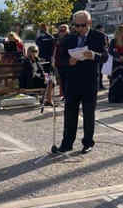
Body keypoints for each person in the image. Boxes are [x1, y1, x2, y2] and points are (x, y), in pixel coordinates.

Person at [55, 10, 108, 154]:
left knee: (88, 113)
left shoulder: (99, 36)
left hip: (89, 81)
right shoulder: (69, 38)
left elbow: (105, 56)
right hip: (72, 81)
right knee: (70, 114)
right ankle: (67, 143)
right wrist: (68, 61)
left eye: (82, 25)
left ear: (89, 23)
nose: (79, 29)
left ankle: (88, 143)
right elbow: (60, 59)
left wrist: (94, 55)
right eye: (76, 25)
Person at [108, 24, 123, 103]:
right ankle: (114, 98)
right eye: (121, 31)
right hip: (115, 63)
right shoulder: (113, 41)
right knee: (115, 81)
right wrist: (118, 57)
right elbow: (110, 51)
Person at [36, 24, 56, 105]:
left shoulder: (42, 37)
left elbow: (37, 44)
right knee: (47, 79)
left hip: (46, 61)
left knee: (48, 79)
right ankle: (47, 98)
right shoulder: (50, 37)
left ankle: (48, 99)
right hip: (46, 61)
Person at [53, 24, 70, 98]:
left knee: (67, 80)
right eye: (60, 30)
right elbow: (55, 51)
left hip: (67, 62)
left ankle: (67, 95)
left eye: (64, 30)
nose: (62, 32)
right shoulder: (57, 39)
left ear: (67, 31)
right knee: (62, 79)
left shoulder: (69, 38)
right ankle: (64, 95)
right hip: (59, 62)